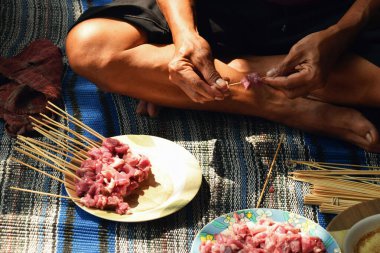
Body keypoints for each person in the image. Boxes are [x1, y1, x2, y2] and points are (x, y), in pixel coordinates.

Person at [65, 0, 380, 152]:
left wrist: (340, 33)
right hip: (214, 12)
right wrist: (185, 36)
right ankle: (282, 104)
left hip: (327, 17)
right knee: (91, 48)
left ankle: (230, 69)